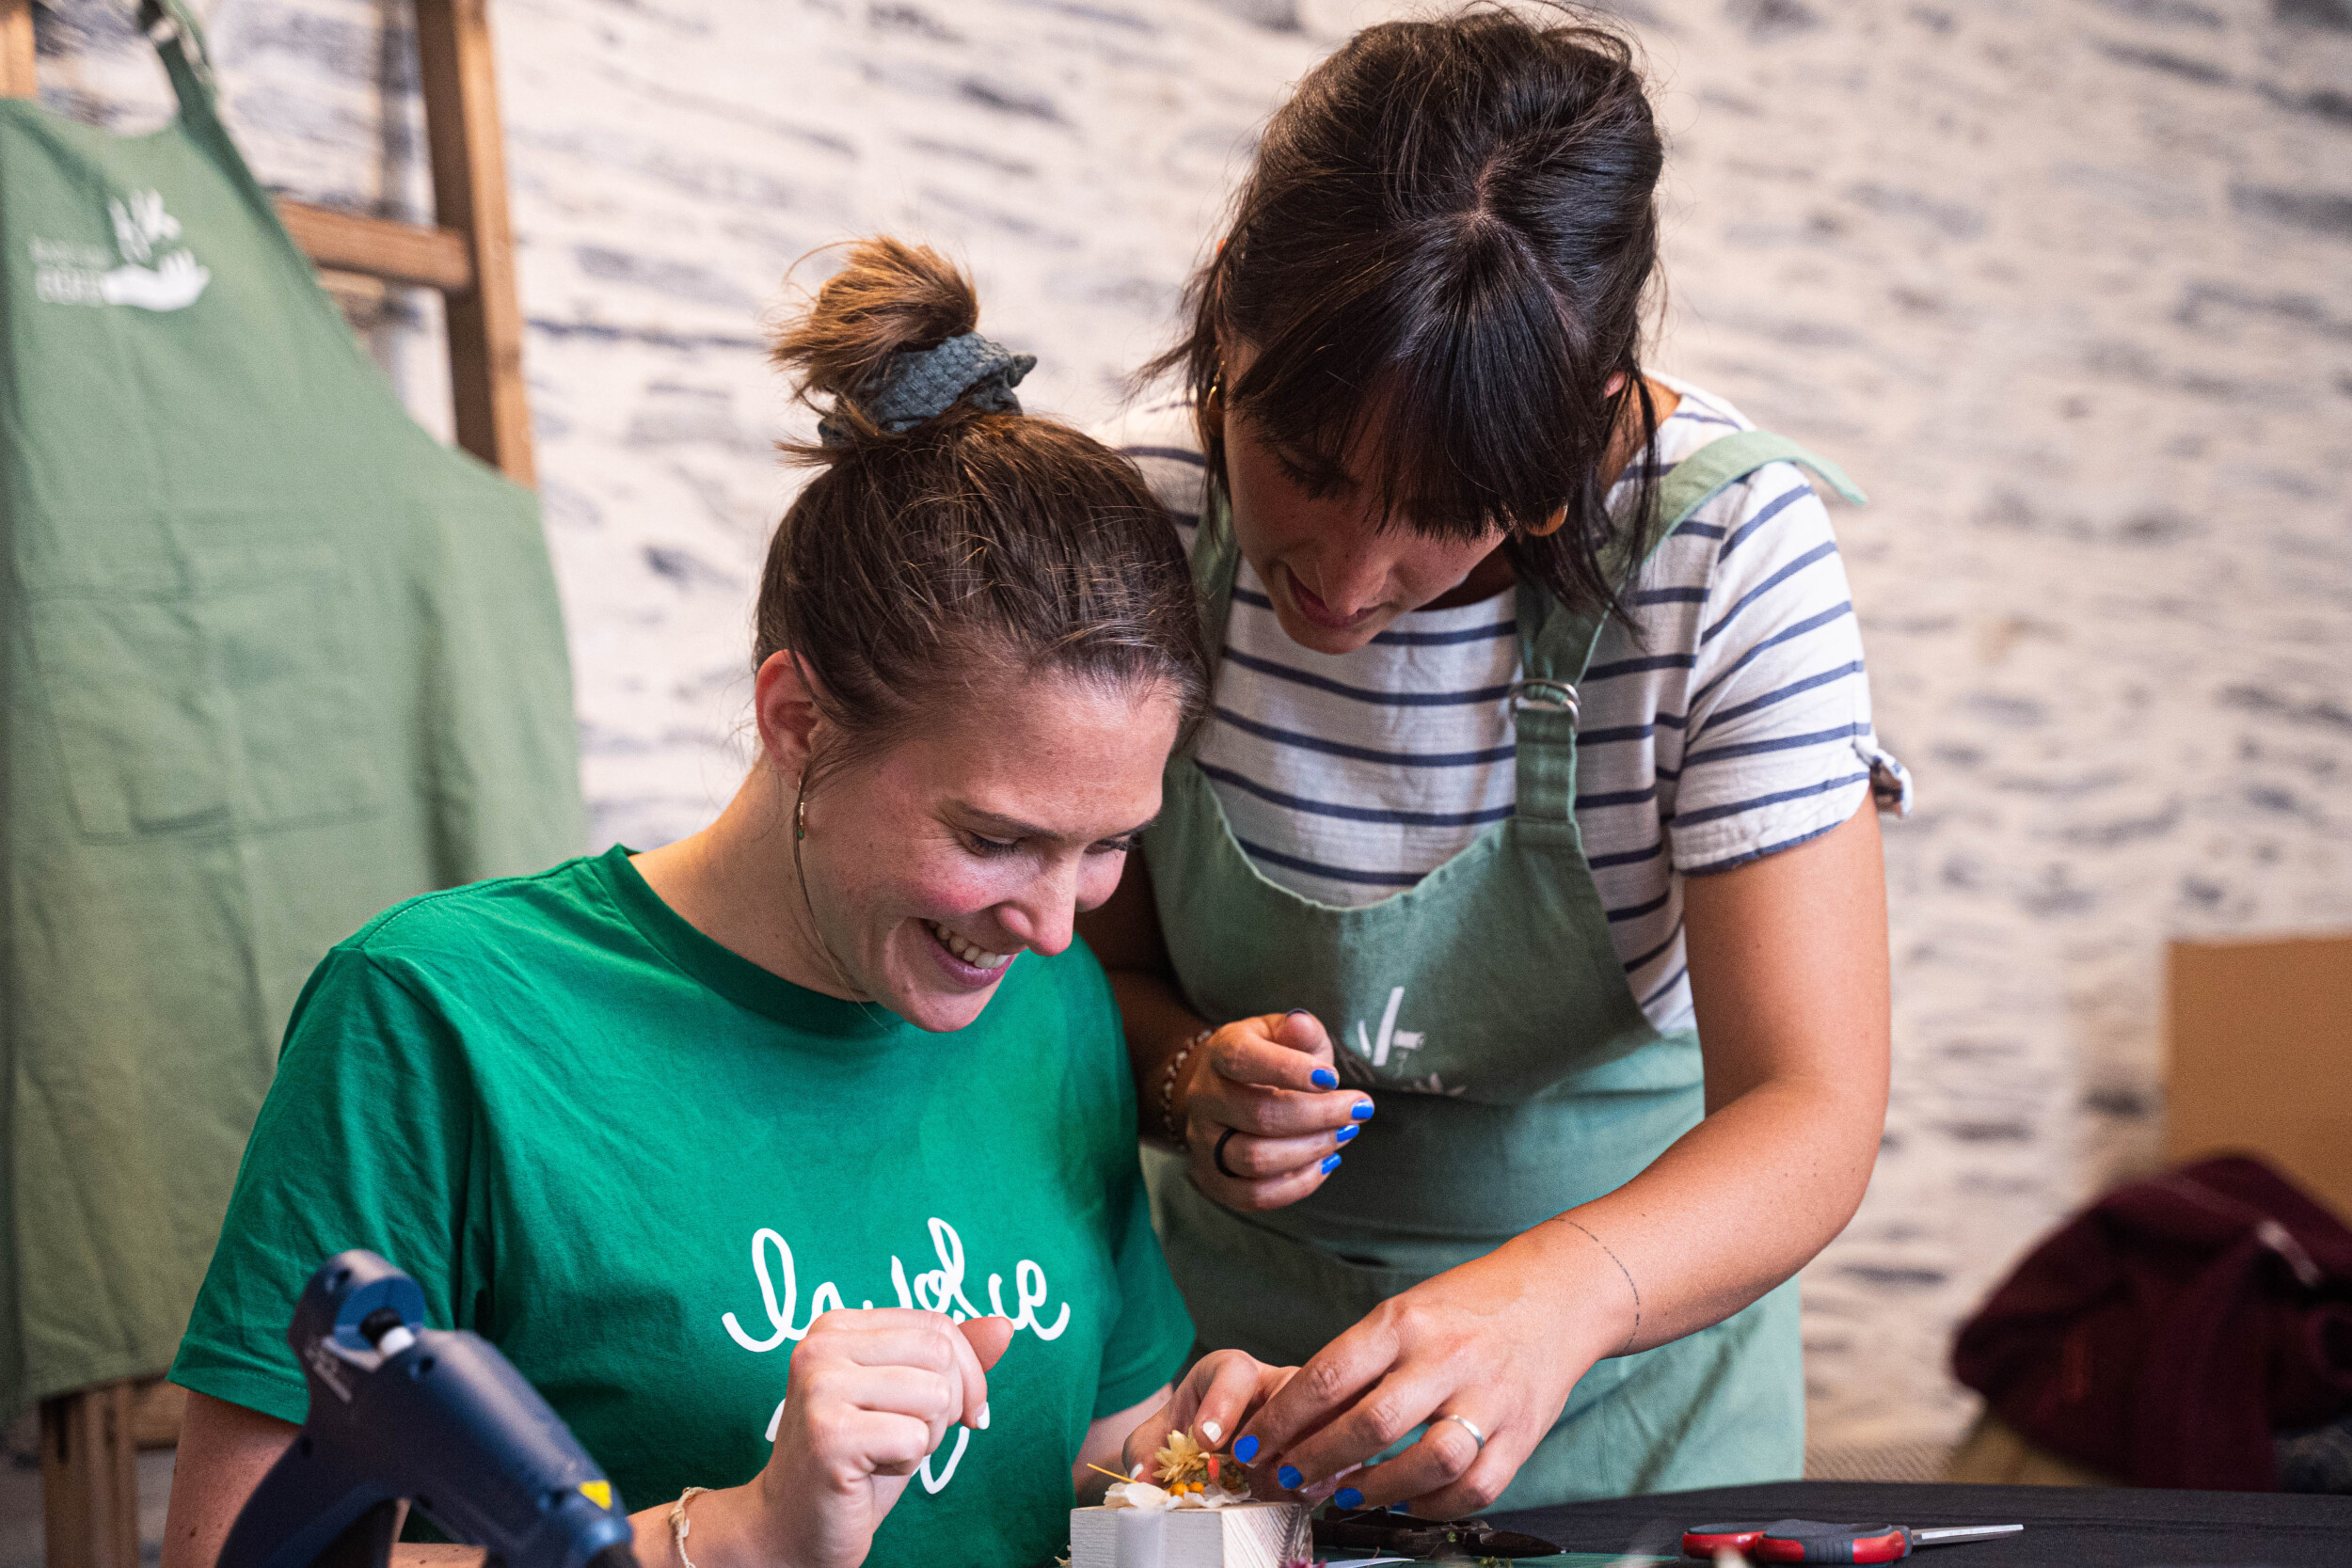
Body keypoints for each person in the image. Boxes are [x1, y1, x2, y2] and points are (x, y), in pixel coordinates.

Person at [160, 239, 1289, 1568]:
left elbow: (1090, 1458)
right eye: (995, 838)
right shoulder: (438, 1017)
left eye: (1107, 850)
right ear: (798, 718)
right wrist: (735, 1538)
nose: (1054, 923)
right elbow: (232, 1554)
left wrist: (1205, 1460)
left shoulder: (1054, 1006)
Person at [1084, 8, 1910, 1513]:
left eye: (1445, 506)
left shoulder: (1725, 554)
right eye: (1305, 468)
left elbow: (1812, 1108)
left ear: (1572, 437)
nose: (1344, 569)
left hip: (1630, 1407)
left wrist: (1559, 1298)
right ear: (1226, 333)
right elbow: (1089, 979)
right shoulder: (1150, 504)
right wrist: (1190, 1078)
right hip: (1221, 1404)